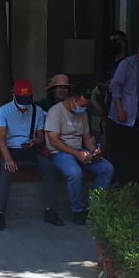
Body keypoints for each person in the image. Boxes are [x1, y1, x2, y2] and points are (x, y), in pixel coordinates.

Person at [0, 80, 59, 232]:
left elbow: (41, 138)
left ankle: (50, 210)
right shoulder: (3, 111)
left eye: (27, 99)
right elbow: (1, 138)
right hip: (10, 149)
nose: (24, 104)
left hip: (29, 150)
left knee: (49, 167)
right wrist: (8, 159)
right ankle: (0, 214)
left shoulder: (37, 111)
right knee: (6, 170)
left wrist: (34, 143)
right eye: (21, 99)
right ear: (13, 95)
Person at [44, 87, 114, 224]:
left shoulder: (82, 113)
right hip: (59, 152)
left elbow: (87, 137)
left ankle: (93, 208)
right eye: (82, 105)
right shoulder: (55, 112)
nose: (84, 108)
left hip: (80, 150)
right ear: (72, 101)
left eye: (87, 106)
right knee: (75, 173)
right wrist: (77, 154)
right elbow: (54, 141)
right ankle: (78, 211)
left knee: (107, 168)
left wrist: (94, 151)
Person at [107, 36, 139, 186]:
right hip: (126, 118)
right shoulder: (127, 64)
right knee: (126, 154)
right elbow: (115, 87)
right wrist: (119, 109)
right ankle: (125, 185)